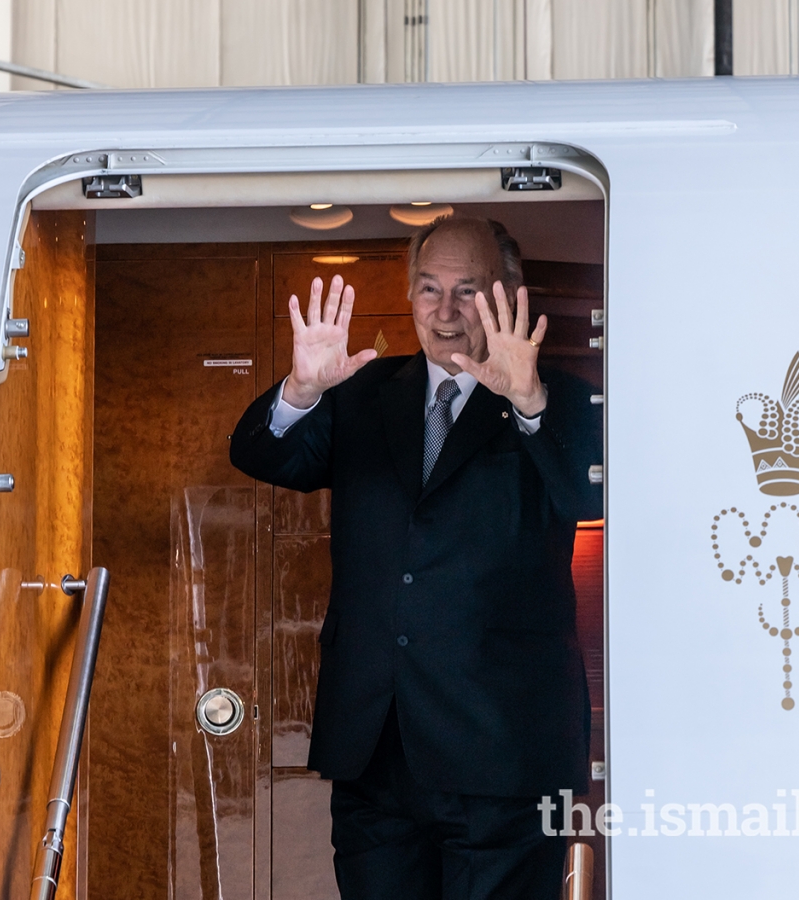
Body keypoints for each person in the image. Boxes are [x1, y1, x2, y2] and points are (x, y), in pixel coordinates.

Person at [230, 216, 602, 899]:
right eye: (430, 289)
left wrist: (527, 401)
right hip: (376, 746)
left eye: (469, 290)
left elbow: (585, 491)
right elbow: (262, 455)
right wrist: (303, 391)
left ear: (509, 292)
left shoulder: (563, 400)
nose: (447, 311)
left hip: (504, 747)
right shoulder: (362, 393)